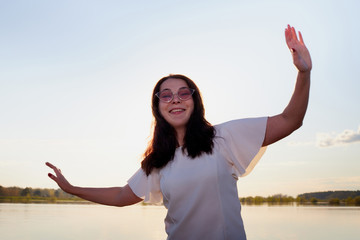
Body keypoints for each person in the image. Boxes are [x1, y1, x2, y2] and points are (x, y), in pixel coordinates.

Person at [46, 24, 312, 240]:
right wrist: (71, 188)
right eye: (166, 95)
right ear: (157, 106)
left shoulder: (223, 138)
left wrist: (303, 73)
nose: (175, 99)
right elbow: (119, 196)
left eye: (183, 93)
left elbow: (291, 120)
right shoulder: (158, 162)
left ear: (195, 102)